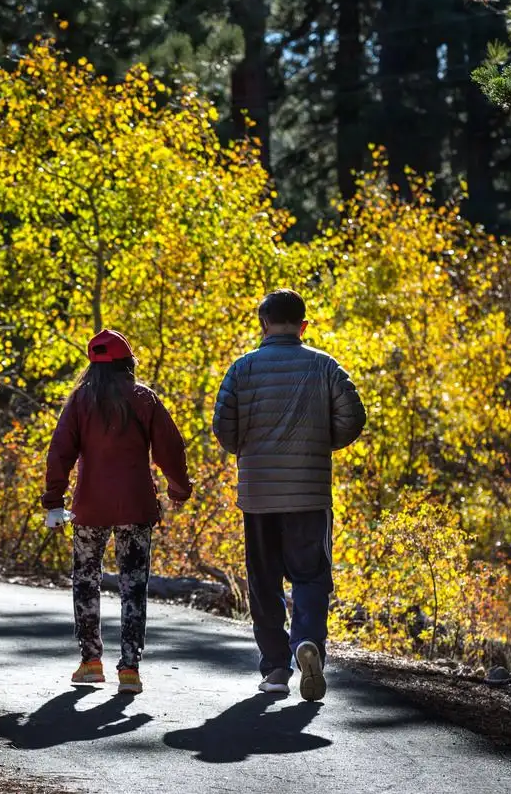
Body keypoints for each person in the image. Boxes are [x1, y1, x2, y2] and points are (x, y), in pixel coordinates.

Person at [212, 289, 366, 702]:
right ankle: (307, 643)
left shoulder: (242, 370)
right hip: (310, 494)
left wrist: (247, 448)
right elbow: (354, 417)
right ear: (303, 325)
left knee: (263, 581)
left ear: (263, 324)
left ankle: (276, 669)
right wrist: (321, 444)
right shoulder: (325, 366)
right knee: (311, 575)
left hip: (259, 494)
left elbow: (224, 427)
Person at [42, 329, 193, 695]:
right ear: (128, 363)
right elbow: (169, 448)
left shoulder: (80, 401)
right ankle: (130, 670)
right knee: (133, 585)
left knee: (85, 581)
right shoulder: (144, 398)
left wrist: (54, 502)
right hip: (136, 505)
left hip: (89, 507)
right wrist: (178, 488)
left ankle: (91, 662)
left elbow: (60, 450)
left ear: (92, 366)